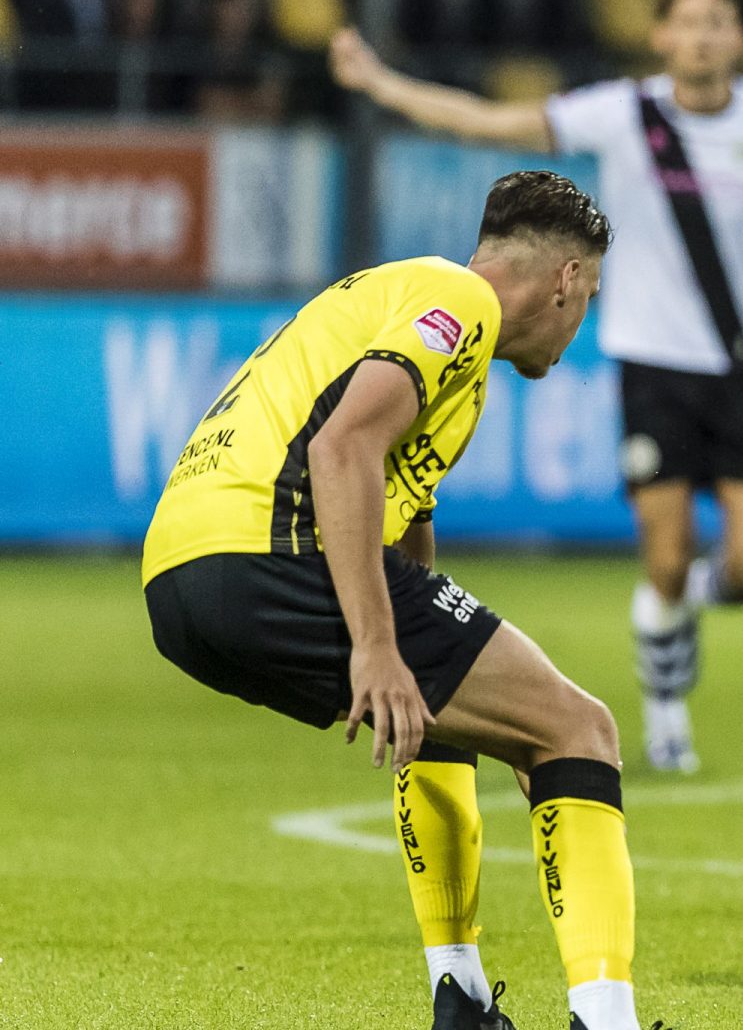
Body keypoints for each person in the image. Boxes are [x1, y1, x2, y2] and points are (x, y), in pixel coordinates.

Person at [142, 172, 667, 1030]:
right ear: (567, 279)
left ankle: (457, 997)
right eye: (591, 297)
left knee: (440, 715)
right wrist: (377, 648)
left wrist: (422, 657)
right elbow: (343, 446)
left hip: (181, 575)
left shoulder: (404, 305)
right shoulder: (456, 302)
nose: (584, 323)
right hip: (271, 543)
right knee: (582, 731)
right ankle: (606, 1022)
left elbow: (402, 538)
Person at [329, 0, 743, 773]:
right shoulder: (624, 113)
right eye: (689, 22)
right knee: (666, 553)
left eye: (720, 22)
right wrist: (381, 84)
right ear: (662, 37)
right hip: (653, 361)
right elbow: (490, 120)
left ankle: (673, 617)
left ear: (739, 38)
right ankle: (667, 710)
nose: (705, 37)